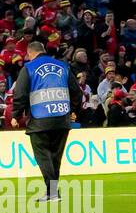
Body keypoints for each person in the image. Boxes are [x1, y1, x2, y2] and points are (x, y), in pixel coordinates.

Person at [11, 41, 83, 203]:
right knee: (55, 157)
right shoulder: (63, 66)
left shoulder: (28, 68)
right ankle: (52, 192)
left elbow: (20, 93)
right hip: (62, 117)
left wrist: (16, 115)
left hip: (40, 119)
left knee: (43, 156)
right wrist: (74, 110)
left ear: (30, 53)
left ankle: (52, 192)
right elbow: (77, 92)